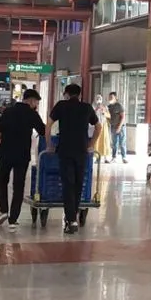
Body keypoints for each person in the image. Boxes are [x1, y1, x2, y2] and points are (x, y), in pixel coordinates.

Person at [0, 89, 46, 232]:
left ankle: (3, 211)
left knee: (2, 181)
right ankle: (13, 220)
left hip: (5, 153)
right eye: (36, 102)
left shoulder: (8, 111)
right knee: (18, 186)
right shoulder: (32, 114)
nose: (36, 104)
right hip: (22, 155)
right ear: (31, 100)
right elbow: (44, 132)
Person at [47, 84, 100, 234]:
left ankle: (71, 220)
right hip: (81, 151)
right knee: (77, 184)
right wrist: (91, 144)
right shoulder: (87, 107)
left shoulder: (61, 106)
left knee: (67, 184)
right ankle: (73, 218)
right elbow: (99, 127)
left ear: (67, 94)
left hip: (65, 150)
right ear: (79, 94)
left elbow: (49, 125)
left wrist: (50, 144)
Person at [107, 92, 128, 163]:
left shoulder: (119, 106)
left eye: (111, 97)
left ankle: (124, 157)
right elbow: (108, 117)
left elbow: (123, 117)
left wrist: (119, 127)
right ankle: (114, 157)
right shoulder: (109, 107)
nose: (110, 99)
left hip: (121, 127)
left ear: (115, 98)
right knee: (114, 143)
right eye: (109, 97)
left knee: (122, 143)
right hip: (113, 127)